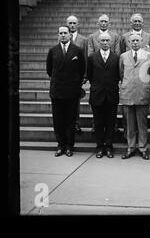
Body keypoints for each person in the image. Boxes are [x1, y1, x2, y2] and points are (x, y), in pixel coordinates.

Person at [46, 25, 86, 157]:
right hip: (57, 91)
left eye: (65, 33)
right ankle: (60, 145)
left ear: (70, 34)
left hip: (72, 91)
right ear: (58, 35)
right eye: (61, 33)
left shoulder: (78, 51)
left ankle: (69, 146)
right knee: (58, 120)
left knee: (70, 119)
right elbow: (49, 70)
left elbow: (81, 70)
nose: (63, 35)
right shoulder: (53, 51)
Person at [87, 32, 120, 158]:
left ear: (111, 42)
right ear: (98, 42)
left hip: (111, 94)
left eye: (107, 40)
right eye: (103, 41)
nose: (105, 43)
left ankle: (109, 146)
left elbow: (118, 75)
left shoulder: (116, 58)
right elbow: (90, 75)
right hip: (97, 95)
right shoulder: (92, 58)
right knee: (99, 123)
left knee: (110, 123)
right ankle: (100, 147)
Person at [120, 33, 150, 160]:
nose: (134, 43)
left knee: (142, 123)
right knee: (130, 124)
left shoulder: (149, 56)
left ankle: (143, 148)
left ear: (141, 41)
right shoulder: (123, 56)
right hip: (128, 93)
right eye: (132, 41)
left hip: (142, 93)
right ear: (128, 42)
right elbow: (121, 73)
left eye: (137, 40)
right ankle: (131, 147)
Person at [66, 15, 88, 134]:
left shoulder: (83, 40)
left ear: (78, 25)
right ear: (67, 24)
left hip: (77, 76)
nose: (72, 25)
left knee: (76, 101)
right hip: (65, 77)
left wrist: (84, 75)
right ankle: (67, 123)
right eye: (70, 23)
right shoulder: (62, 37)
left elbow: (84, 58)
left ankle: (76, 123)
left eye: (74, 23)